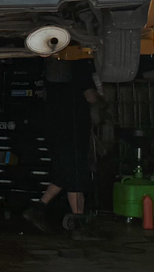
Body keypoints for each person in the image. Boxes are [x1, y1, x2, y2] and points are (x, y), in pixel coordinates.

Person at [25, 56, 102, 238]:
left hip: (54, 126)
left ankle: (38, 209)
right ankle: (79, 223)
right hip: (73, 127)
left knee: (63, 171)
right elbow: (90, 97)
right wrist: (103, 101)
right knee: (75, 172)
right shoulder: (79, 64)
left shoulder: (52, 67)